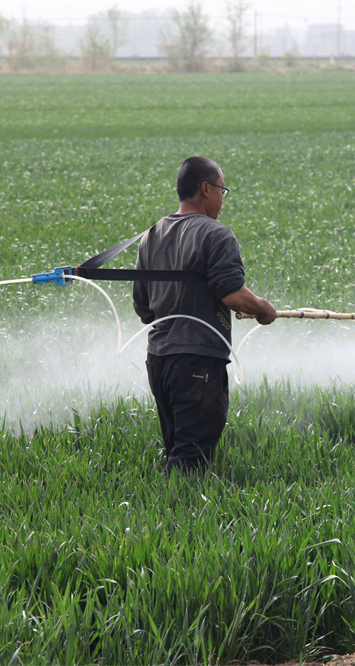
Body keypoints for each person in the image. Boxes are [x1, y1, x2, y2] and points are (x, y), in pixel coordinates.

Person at [133, 156, 277, 474]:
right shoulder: (216, 234)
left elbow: (143, 309)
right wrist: (263, 308)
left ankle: (166, 509)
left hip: (159, 363)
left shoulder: (151, 235)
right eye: (222, 191)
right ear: (206, 189)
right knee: (191, 463)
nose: (222, 201)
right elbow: (231, 293)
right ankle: (174, 514)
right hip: (198, 364)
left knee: (177, 450)